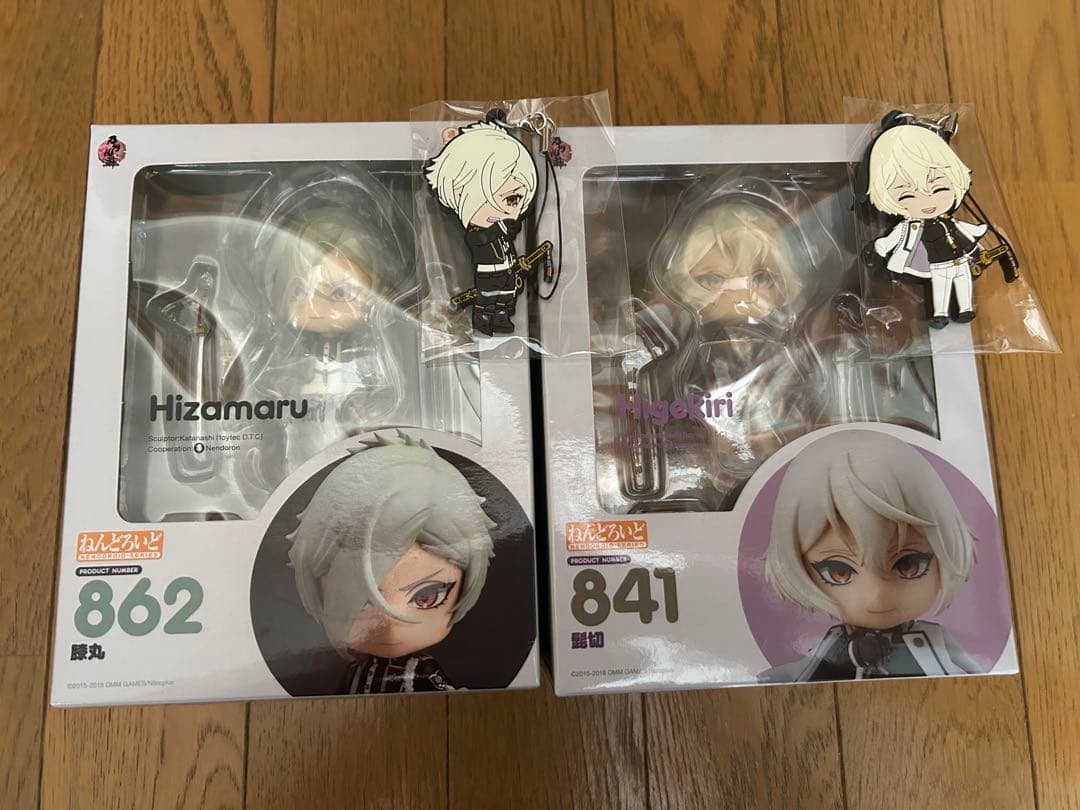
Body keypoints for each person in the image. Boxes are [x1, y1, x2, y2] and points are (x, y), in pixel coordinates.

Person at [759, 430, 982, 682]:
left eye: (908, 565)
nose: (878, 597)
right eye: (839, 572)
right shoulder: (840, 642)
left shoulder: (932, 636)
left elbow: (972, 664)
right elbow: (807, 666)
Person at [287, 431, 495, 693]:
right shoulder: (357, 671)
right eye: (361, 601)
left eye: (427, 597)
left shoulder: (423, 671)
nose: (391, 624)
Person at [864, 112, 987, 328]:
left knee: (963, 282)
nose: (927, 201)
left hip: (959, 260)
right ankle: (940, 314)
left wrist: (978, 232)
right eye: (907, 195)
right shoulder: (909, 225)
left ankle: (965, 309)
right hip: (935, 265)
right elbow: (896, 236)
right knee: (940, 288)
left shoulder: (948, 220)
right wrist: (882, 246)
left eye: (939, 189)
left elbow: (963, 230)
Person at [425, 122, 538, 335]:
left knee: (507, 296)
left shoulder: (505, 230)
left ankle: (502, 317)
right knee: (487, 298)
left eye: (519, 202)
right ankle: (483, 319)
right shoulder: (479, 233)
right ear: (461, 192)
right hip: (488, 275)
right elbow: (478, 240)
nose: (514, 212)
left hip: (508, 271)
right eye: (511, 199)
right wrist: (502, 227)